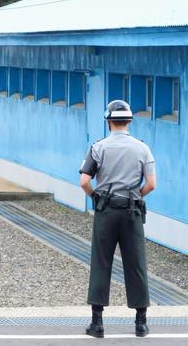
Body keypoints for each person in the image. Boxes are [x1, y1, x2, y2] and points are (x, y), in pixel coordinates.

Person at [79, 99, 157, 338]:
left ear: (109, 121)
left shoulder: (98, 148)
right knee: (136, 264)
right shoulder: (142, 148)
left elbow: (84, 181)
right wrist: (136, 195)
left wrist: (96, 197)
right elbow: (151, 184)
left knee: (101, 262)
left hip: (106, 211)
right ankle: (141, 323)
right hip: (132, 212)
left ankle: (97, 323)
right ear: (129, 121)